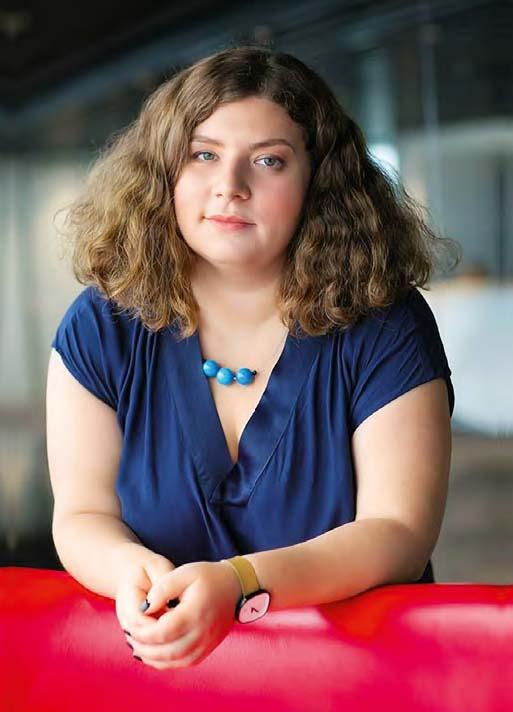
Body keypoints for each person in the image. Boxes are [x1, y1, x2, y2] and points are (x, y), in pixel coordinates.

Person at [46, 44, 460, 670]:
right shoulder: (102, 325)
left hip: (353, 682)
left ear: (318, 181)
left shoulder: (384, 324)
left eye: (268, 161)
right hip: (161, 681)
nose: (229, 187)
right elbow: (82, 514)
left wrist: (239, 583)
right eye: (203, 154)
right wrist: (133, 574)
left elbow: (399, 533)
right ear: (164, 171)